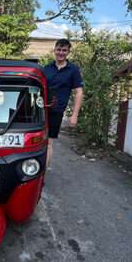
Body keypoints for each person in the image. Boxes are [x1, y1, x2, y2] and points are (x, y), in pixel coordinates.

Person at [43, 38, 84, 168]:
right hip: (39, 111)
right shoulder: (46, 69)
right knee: (35, 143)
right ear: (54, 50)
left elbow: (79, 92)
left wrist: (74, 115)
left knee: (49, 143)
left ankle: (42, 177)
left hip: (56, 112)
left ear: (68, 52)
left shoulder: (73, 70)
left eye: (64, 50)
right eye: (59, 49)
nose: (61, 52)